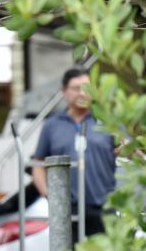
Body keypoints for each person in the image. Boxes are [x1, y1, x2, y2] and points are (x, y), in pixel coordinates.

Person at [32, 66, 116, 237]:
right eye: (76, 89)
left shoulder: (107, 121)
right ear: (64, 92)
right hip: (66, 210)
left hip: (104, 209)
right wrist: (48, 194)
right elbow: (38, 163)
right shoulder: (52, 125)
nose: (82, 93)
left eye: (87, 88)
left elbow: (129, 151)